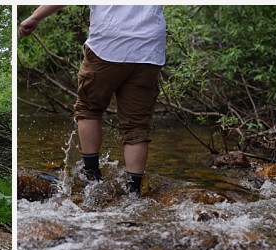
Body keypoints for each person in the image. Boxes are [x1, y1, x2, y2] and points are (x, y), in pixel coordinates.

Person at [18, 5, 167, 195]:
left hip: (109, 42)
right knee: (137, 126)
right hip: (149, 48)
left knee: (89, 109)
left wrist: (35, 17)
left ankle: (92, 177)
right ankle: (133, 192)